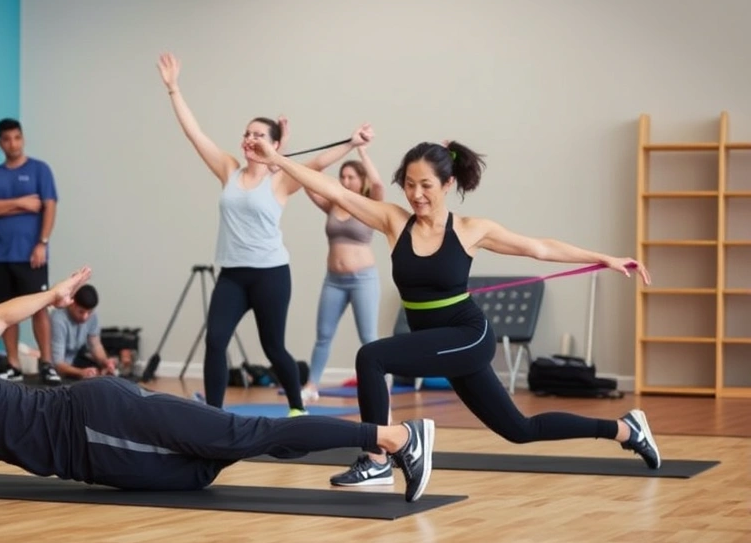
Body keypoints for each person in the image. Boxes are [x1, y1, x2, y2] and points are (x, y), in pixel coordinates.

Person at [244, 135, 662, 488]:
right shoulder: (394, 222)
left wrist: (605, 258)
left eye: (425, 185)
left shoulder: (470, 230)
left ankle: (377, 457)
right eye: (408, 185)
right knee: (519, 430)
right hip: (437, 342)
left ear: (447, 183)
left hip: (468, 335)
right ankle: (627, 429)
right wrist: (276, 159)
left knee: (372, 356)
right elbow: (334, 191)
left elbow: (539, 247)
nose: (416, 194)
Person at [0, 267, 436, 503]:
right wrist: (50, 296)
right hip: (97, 435)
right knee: (202, 469)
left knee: (249, 435)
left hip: (94, 429)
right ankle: (386, 437)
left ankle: (393, 436)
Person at [156, 52, 372, 415]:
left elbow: (318, 163)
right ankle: (213, 416)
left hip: (271, 275)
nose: (249, 138)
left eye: (259, 134)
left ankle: (296, 408)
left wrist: (352, 143)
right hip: (233, 274)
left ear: (272, 143)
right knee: (215, 341)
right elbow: (195, 134)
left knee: (274, 349)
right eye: (247, 133)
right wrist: (174, 89)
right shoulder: (228, 169)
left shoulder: (281, 180)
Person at [0, 118, 61, 386]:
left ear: (22, 138)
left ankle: (47, 363)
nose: (13, 143)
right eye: (7, 139)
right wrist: (21, 202)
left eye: (16, 137)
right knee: (5, 311)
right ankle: (13, 364)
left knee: (39, 309)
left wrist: (42, 243)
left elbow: (48, 206)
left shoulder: (39, 170)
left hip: (31, 254)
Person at [302, 146, 385, 404]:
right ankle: (311, 385)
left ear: (361, 182)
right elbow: (307, 177)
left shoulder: (370, 204)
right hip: (334, 281)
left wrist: (362, 151)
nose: (346, 181)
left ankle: (381, 384)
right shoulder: (331, 204)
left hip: (363, 280)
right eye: (343, 176)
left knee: (368, 338)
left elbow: (378, 183)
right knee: (323, 336)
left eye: (352, 177)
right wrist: (343, 148)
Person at [49, 284, 121, 379]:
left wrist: (105, 362)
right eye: (81, 312)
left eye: (89, 312)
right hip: (55, 370)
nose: (85, 317)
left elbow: (95, 345)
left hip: (74, 361)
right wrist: (81, 372)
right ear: (71, 303)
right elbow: (57, 364)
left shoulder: (93, 316)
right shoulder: (58, 319)